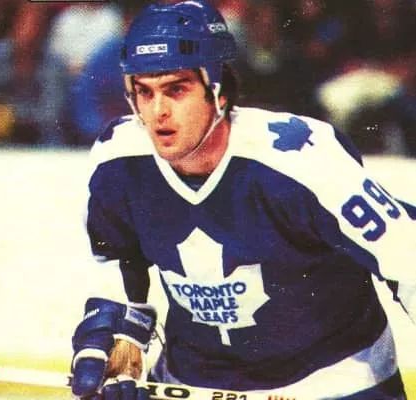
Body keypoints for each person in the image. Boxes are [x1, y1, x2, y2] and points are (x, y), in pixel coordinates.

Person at [70, 1, 416, 399]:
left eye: (176, 89)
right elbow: (114, 257)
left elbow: (407, 254)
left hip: (333, 382)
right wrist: (117, 334)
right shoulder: (119, 159)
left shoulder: (300, 156)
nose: (158, 111)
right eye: (143, 92)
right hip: (194, 383)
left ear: (217, 92)